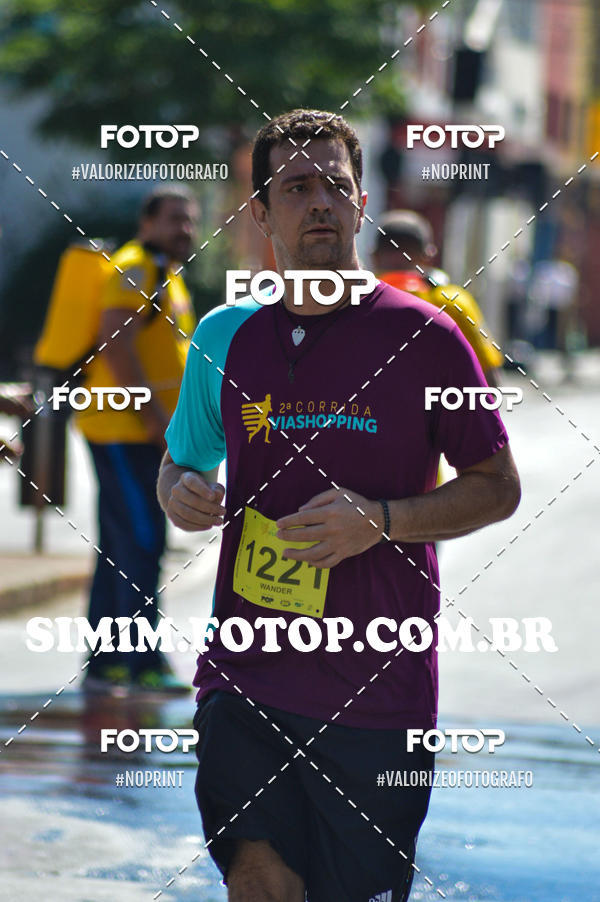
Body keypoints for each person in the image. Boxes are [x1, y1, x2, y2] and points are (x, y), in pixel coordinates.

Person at [158, 110, 521, 901]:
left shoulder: (429, 338)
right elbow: (181, 461)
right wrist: (180, 492)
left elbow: (498, 486)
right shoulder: (224, 335)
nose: (319, 201)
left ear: (361, 204)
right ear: (260, 213)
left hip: (376, 686)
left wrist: (382, 522)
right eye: (295, 187)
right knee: (257, 879)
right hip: (245, 671)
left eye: (336, 185)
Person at [81, 185, 198, 694]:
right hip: (124, 431)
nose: (186, 229)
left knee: (121, 542)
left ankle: (107, 660)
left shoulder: (164, 273)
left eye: (190, 220)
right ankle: (141, 661)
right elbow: (115, 342)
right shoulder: (135, 267)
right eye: (174, 219)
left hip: (134, 431)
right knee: (143, 540)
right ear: (146, 223)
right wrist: (153, 420)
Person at [372, 209, 503, 386]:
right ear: (429, 255)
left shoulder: (354, 301)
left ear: (374, 256)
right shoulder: (454, 302)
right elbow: (489, 378)